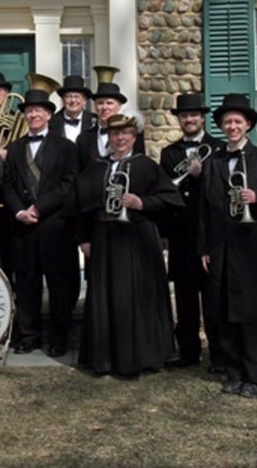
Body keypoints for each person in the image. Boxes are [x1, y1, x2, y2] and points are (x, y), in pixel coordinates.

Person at [198, 94, 257, 399]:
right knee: (223, 313)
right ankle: (234, 372)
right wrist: (203, 248)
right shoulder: (212, 162)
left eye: (238, 121)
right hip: (220, 246)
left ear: (248, 124)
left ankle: (254, 377)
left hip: (250, 248)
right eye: (227, 122)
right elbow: (202, 208)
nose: (233, 126)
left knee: (250, 316)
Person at [72, 114, 181, 376]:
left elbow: (171, 199)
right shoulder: (97, 168)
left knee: (134, 297)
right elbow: (78, 205)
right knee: (105, 297)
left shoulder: (147, 165)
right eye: (114, 134)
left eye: (126, 134)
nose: (120, 139)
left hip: (137, 239)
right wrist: (83, 239)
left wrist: (142, 203)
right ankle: (105, 359)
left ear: (134, 137)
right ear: (108, 137)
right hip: (103, 237)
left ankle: (139, 358)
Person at [3, 90, 80, 357]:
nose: (33, 115)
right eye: (29, 111)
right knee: (26, 284)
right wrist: (19, 212)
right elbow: (8, 185)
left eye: (39, 111)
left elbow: (69, 183)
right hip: (23, 226)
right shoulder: (14, 148)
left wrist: (40, 207)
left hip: (55, 226)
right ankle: (29, 336)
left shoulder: (67, 147)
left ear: (49, 115)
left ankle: (58, 338)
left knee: (59, 285)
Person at [158, 92, 225, 372]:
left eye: (194, 115)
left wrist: (202, 176)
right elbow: (164, 192)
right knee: (184, 297)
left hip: (209, 233)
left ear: (202, 117)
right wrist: (163, 233)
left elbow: (222, 191)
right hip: (181, 234)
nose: (189, 119)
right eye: (184, 116)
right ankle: (188, 351)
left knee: (212, 299)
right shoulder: (169, 152)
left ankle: (219, 355)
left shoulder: (219, 149)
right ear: (179, 119)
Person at [75, 82, 146, 170]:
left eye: (109, 103)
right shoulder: (84, 138)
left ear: (119, 106)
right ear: (95, 106)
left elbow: (140, 164)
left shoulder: (133, 134)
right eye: (100, 103)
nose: (104, 107)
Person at [48, 75, 97, 142]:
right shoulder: (50, 122)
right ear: (63, 99)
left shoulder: (95, 121)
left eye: (77, 96)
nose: (73, 100)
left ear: (84, 100)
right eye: (68, 96)